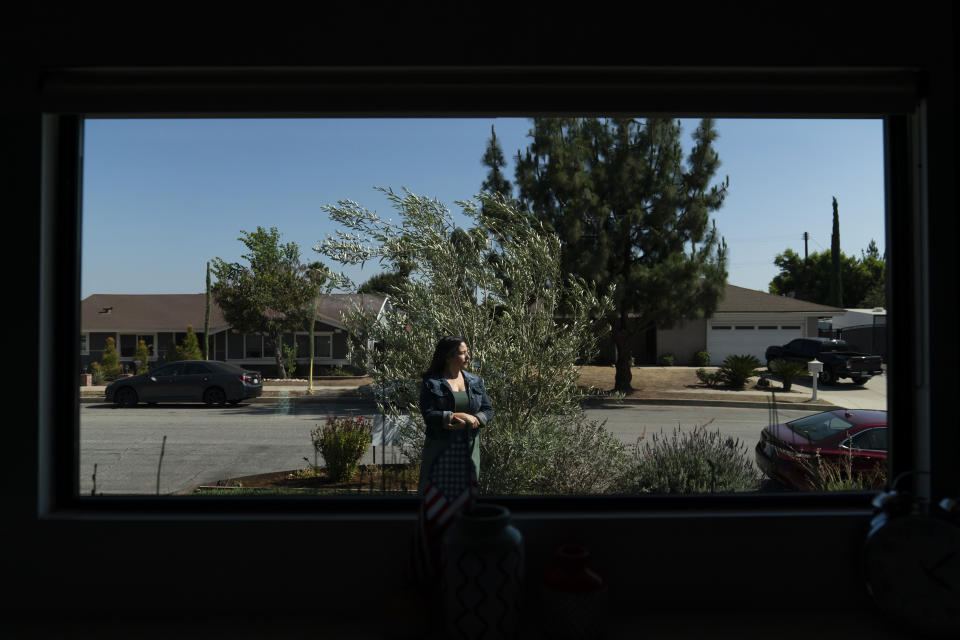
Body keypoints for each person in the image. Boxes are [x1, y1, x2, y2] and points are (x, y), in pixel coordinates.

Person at [417, 336, 494, 494]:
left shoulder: (474, 381)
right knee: (436, 498)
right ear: (448, 357)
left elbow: (488, 410)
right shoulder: (431, 382)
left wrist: (476, 419)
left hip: (469, 448)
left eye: (467, 352)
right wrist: (454, 416)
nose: (468, 356)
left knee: (467, 497)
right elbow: (429, 415)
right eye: (463, 353)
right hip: (439, 449)